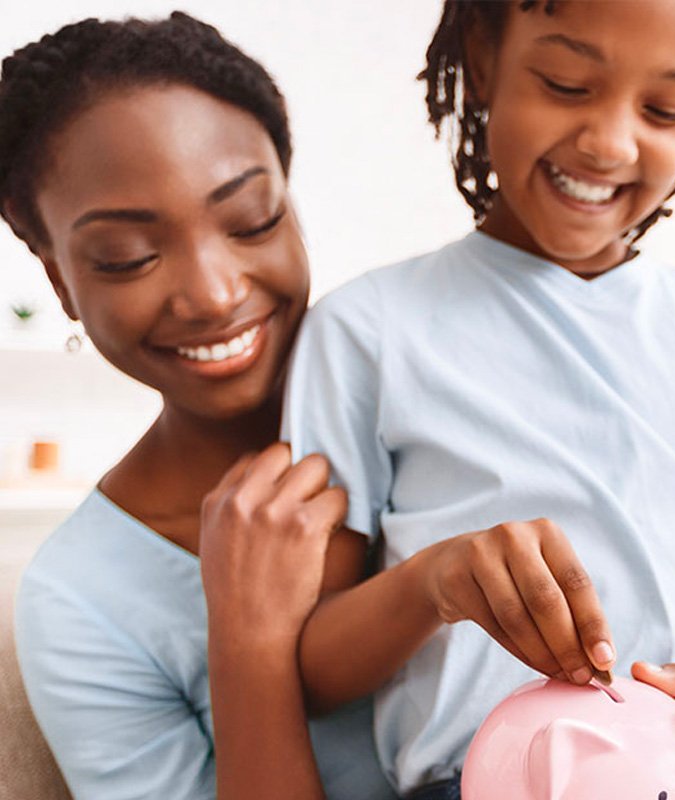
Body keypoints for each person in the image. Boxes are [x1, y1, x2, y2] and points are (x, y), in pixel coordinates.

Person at [282, 2, 675, 799]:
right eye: (566, 84)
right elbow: (316, 667)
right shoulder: (365, 333)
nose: (611, 143)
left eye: (665, 109)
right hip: (491, 779)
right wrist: (436, 580)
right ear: (484, 57)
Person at [0, 14, 395, 799]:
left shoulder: (443, 397)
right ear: (59, 285)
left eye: (252, 220)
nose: (214, 294)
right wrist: (248, 642)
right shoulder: (82, 603)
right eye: (128, 258)